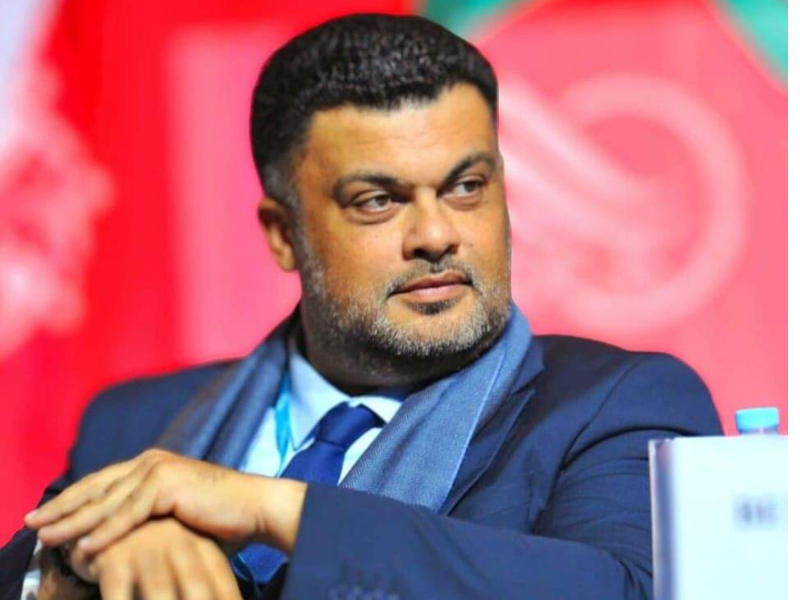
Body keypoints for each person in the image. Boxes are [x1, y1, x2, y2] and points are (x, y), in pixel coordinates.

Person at [0, 13, 721, 600]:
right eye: (378, 201)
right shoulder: (137, 423)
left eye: (466, 187)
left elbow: (626, 590)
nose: (436, 235)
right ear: (284, 235)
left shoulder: (616, 404)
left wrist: (269, 507)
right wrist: (86, 560)